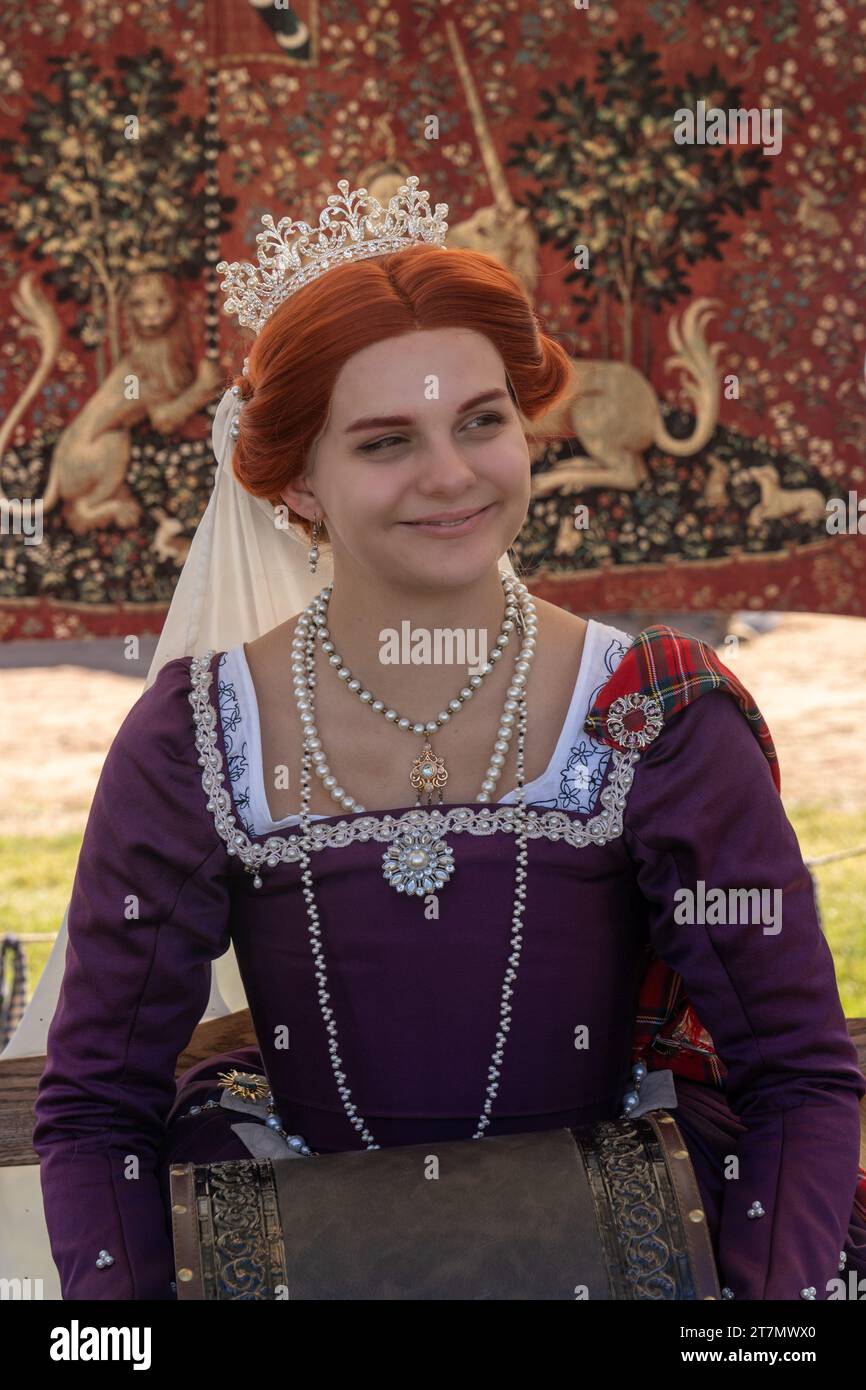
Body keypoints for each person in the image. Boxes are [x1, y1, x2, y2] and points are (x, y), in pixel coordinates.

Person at [31, 176, 866, 1301]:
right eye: (385, 442)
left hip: (626, 1259)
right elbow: (98, 1110)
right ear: (296, 485)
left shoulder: (651, 712)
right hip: (307, 1262)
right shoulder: (196, 737)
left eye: (480, 421)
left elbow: (798, 1078)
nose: (451, 474)